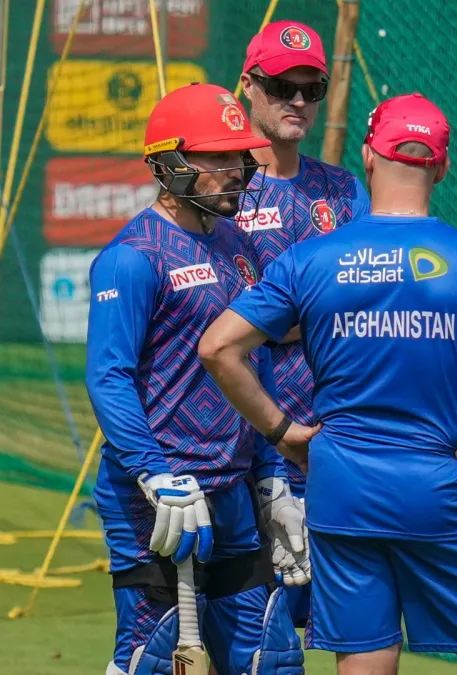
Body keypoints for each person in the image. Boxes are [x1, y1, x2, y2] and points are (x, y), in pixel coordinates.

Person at [197, 93, 457, 675]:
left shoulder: (307, 259)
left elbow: (217, 347)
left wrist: (284, 431)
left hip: (343, 489)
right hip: (444, 490)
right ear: (441, 166)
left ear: (367, 156)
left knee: (365, 658)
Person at [86, 83, 305, 675]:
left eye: (240, 155)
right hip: (156, 500)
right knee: (153, 661)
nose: (237, 169)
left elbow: (252, 368)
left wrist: (272, 476)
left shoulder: (239, 245)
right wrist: (154, 473)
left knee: (272, 660)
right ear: (170, 163)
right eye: (218, 157)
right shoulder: (131, 256)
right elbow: (109, 377)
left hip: (234, 493)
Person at [236, 19, 371, 623]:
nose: (297, 100)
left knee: (349, 629)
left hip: (335, 441)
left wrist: (277, 317)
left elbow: (373, 297)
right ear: (247, 86)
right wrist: (313, 314)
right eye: (280, 85)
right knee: (241, 630)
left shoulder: (342, 190)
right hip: (244, 441)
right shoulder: (218, 185)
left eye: (310, 88)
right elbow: (219, 322)